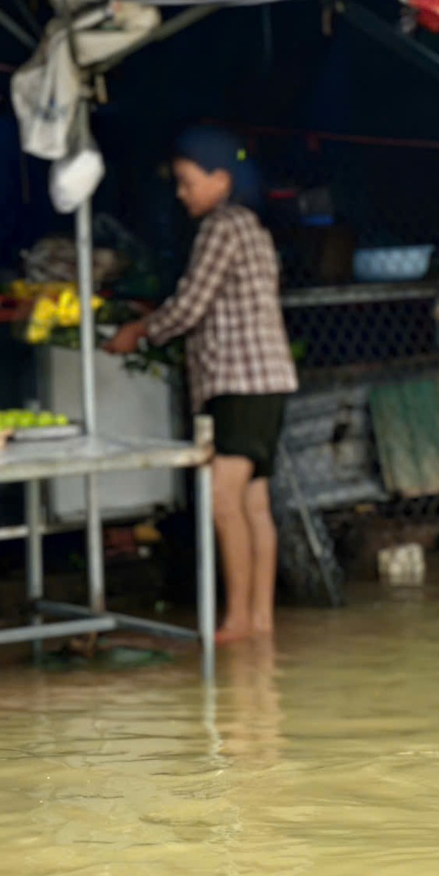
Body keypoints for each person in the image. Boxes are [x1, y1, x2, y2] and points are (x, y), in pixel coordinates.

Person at [106, 126, 296, 642]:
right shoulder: (250, 226)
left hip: (238, 381)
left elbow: (191, 305)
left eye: (188, 181)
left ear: (220, 179)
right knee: (254, 503)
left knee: (222, 500)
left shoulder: (221, 227)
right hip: (270, 382)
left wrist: (139, 331)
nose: (181, 192)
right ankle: (261, 622)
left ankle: (236, 619)